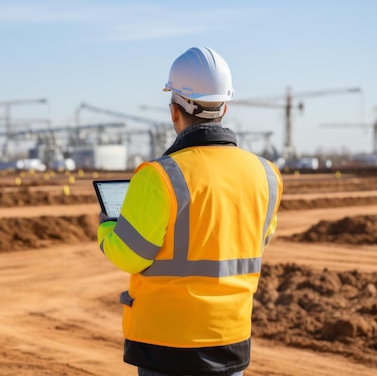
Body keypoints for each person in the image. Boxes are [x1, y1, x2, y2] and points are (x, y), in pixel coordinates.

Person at [97, 46, 284, 376]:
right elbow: (255, 242)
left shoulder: (159, 176)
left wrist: (107, 227)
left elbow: (128, 255)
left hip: (166, 345)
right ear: (224, 106)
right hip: (230, 340)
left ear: (174, 111)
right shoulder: (267, 175)